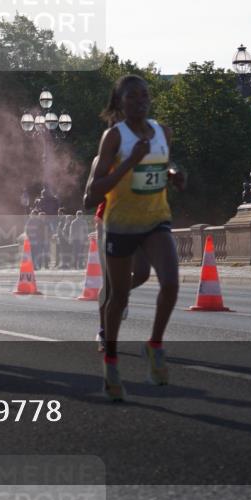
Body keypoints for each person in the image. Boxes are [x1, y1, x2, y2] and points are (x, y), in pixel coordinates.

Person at [85, 75, 184, 401]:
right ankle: (111, 361)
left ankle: (154, 344)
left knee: (170, 283)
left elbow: (160, 166)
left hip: (156, 219)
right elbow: (93, 192)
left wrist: (175, 176)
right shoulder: (114, 137)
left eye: (144, 96)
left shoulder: (162, 131)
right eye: (132, 97)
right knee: (119, 297)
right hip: (120, 224)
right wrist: (129, 161)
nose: (140, 101)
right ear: (120, 103)